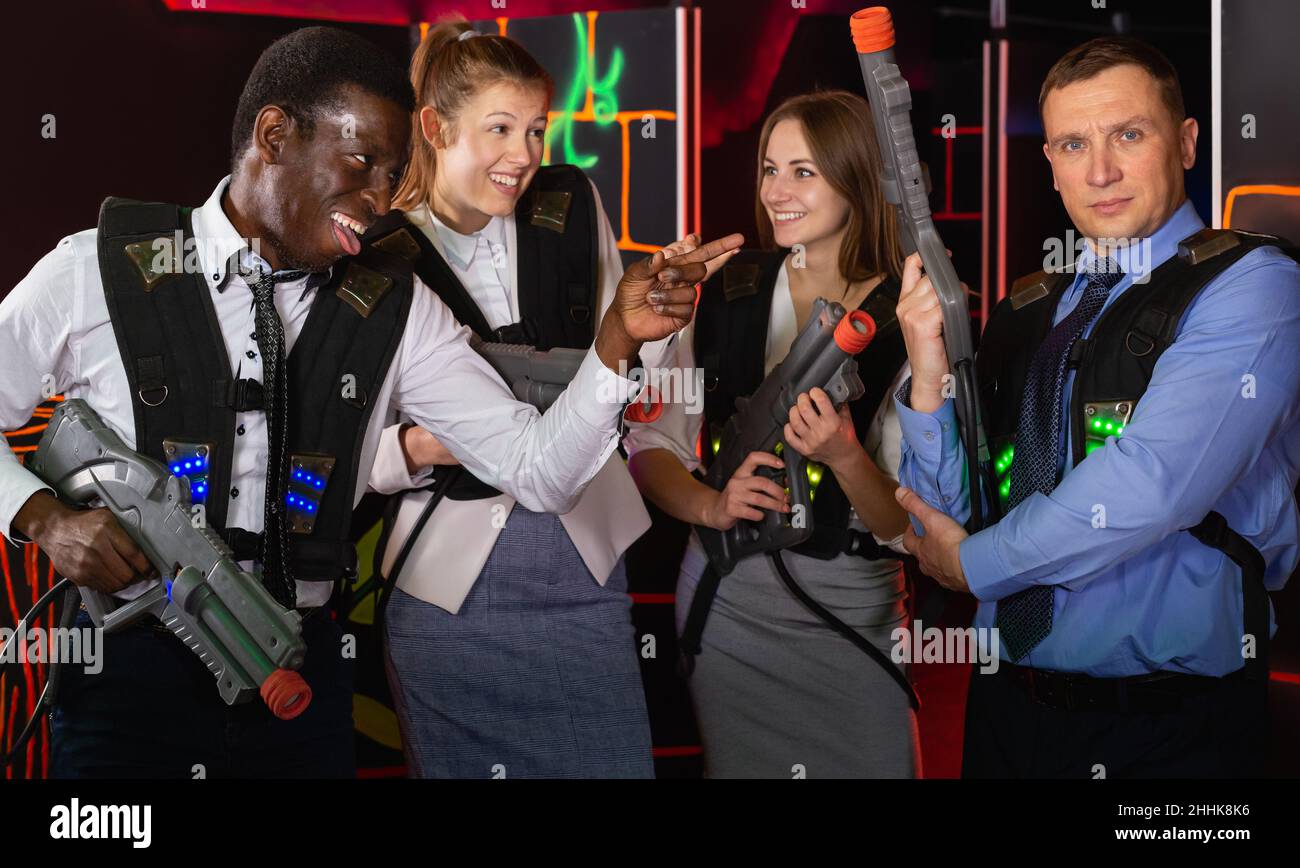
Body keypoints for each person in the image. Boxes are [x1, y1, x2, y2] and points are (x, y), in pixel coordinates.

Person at [0, 26, 739, 778]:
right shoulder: (97, 270)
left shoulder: (398, 308)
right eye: (361, 164)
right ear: (275, 134)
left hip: (300, 687)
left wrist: (617, 341)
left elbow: (539, 471)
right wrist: (42, 517)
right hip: (127, 682)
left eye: (392, 174)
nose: (380, 198)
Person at [893, 35, 1300, 778]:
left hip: (1171, 731)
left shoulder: (1252, 286)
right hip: (1006, 714)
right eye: (1073, 144)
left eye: (1128, 135)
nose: (1101, 170)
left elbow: (1150, 485)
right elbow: (951, 511)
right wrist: (926, 378)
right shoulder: (1028, 309)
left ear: (1185, 143)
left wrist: (973, 565)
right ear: (1050, 164)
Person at [361, 21, 702, 779]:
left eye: (537, 130)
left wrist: (665, 318)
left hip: (584, 567)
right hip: (450, 590)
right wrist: (419, 448)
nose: (525, 155)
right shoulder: (381, 253)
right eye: (501, 129)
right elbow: (345, 444)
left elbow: (627, 364)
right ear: (434, 127)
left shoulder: (570, 201)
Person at [626, 91, 921, 778]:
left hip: (857, 607)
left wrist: (844, 455)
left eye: (804, 172)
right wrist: (709, 505)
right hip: (730, 597)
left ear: (856, 178)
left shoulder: (907, 311)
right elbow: (648, 449)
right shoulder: (724, 291)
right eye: (769, 168)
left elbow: (907, 527)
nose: (777, 192)